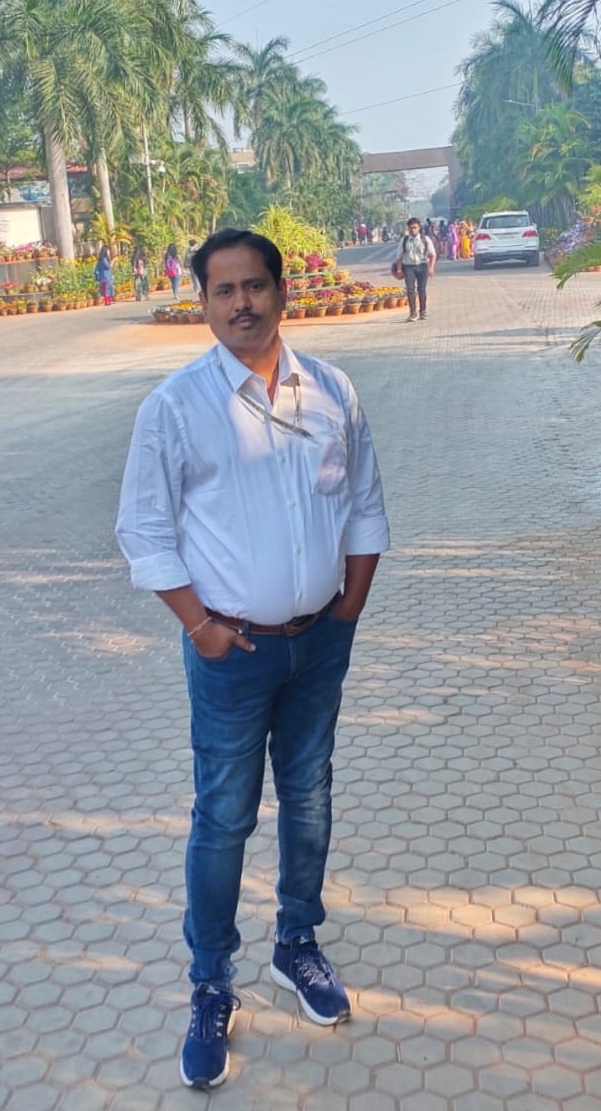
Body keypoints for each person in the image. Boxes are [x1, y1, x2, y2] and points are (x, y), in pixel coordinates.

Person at [116, 227, 389, 1091]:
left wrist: (348, 606)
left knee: (308, 796)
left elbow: (363, 503)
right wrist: (198, 625)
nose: (241, 303)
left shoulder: (332, 390)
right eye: (223, 289)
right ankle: (210, 983)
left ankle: (295, 944)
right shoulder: (175, 407)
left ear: (281, 292)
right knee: (224, 815)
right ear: (202, 301)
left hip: (319, 642)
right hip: (229, 652)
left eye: (254, 286)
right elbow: (143, 531)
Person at [395, 216, 436, 322]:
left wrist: (431, 268)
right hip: (409, 267)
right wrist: (399, 270)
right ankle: (413, 313)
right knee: (410, 290)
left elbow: (433, 255)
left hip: (423, 266)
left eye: (415, 227)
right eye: (411, 228)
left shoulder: (425, 239)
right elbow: (399, 257)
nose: (413, 230)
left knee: (421, 290)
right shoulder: (404, 240)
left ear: (419, 228)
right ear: (408, 229)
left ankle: (423, 311)